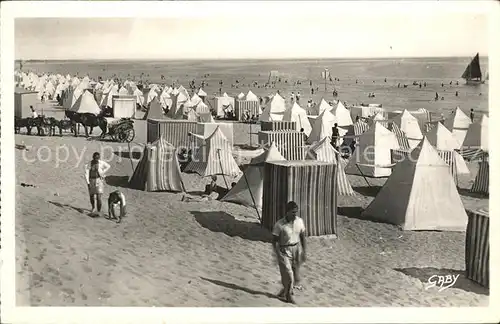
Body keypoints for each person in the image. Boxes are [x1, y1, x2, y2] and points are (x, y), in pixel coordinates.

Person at [272, 201, 306, 304]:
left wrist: (304, 251)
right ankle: (288, 296)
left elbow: (302, 236)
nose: (295, 214)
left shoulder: (299, 221)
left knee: (295, 275)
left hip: (296, 249)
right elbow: (274, 240)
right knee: (289, 273)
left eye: (296, 212)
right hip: (284, 250)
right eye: (292, 212)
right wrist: (277, 253)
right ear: (287, 212)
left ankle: (284, 291)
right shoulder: (279, 224)